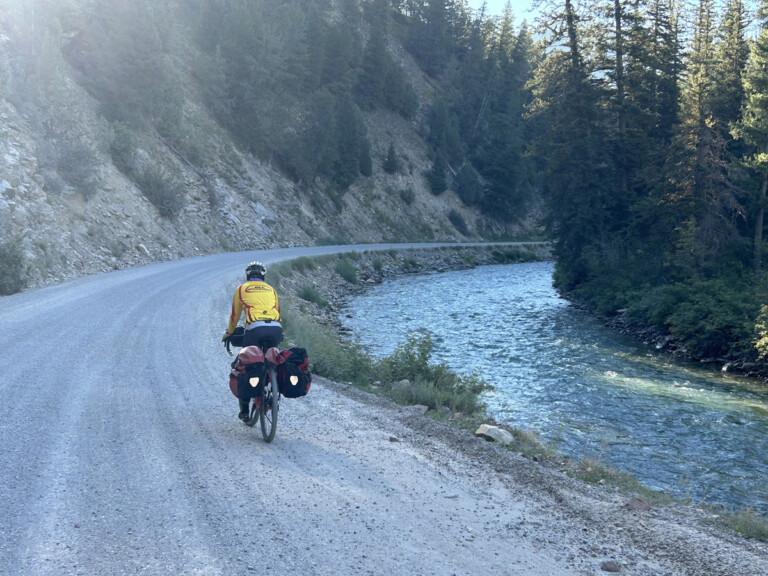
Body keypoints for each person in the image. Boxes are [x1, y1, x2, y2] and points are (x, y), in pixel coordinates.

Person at [222, 261, 283, 421]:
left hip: (254, 329)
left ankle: (245, 411)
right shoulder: (272, 290)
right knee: (271, 357)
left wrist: (229, 333)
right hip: (275, 329)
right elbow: (276, 311)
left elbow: (235, 316)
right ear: (263, 276)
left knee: (245, 365)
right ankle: (271, 385)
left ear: (248, 275)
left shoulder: (241, 289)